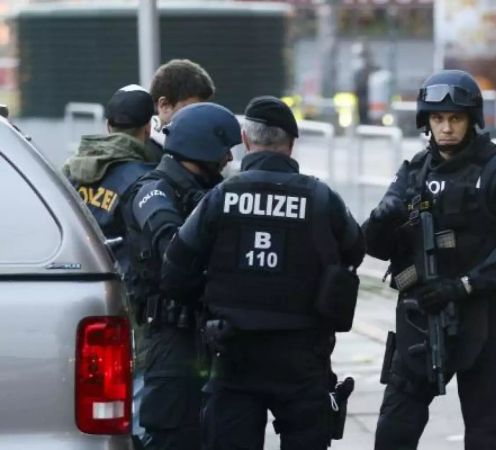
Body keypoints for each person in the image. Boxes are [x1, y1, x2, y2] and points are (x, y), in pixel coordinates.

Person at [160, 96, 366, 450]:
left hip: (233, 353)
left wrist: (209, 300)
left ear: (245, 138)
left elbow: (175, 269)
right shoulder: (321, 198)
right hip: (303, 355)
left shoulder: (220, 196)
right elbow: (355, 251)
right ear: (291, 143)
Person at [365, 69, 496, 450]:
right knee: (394, 429)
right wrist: (382, 219)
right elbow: (375, 246)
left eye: (455, 119)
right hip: (420, 314)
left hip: (482, 314)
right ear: (427, 122)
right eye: (437, 119)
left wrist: (466, 285)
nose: (446, 128)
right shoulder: (414, 172)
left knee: (488, 429)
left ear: (471, 120)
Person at [122, 102, 240, 450]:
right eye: (223, 151)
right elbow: (172, 249)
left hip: (213, 339)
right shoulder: (153, 192)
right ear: (202, 147)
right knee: (173, 438)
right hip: (172, 342)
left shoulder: (210, 194)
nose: (227, 160)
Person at [62, 84, 157, 272]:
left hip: (78, 275)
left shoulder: (70, 170)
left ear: (107, 126)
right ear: (148, 128)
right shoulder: (148, 179)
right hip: (124, 286)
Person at [147, 59, 216, 159]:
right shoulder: (146, 156)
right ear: (164, 105)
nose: (202, 119)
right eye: (193, 110)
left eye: (205, 110)